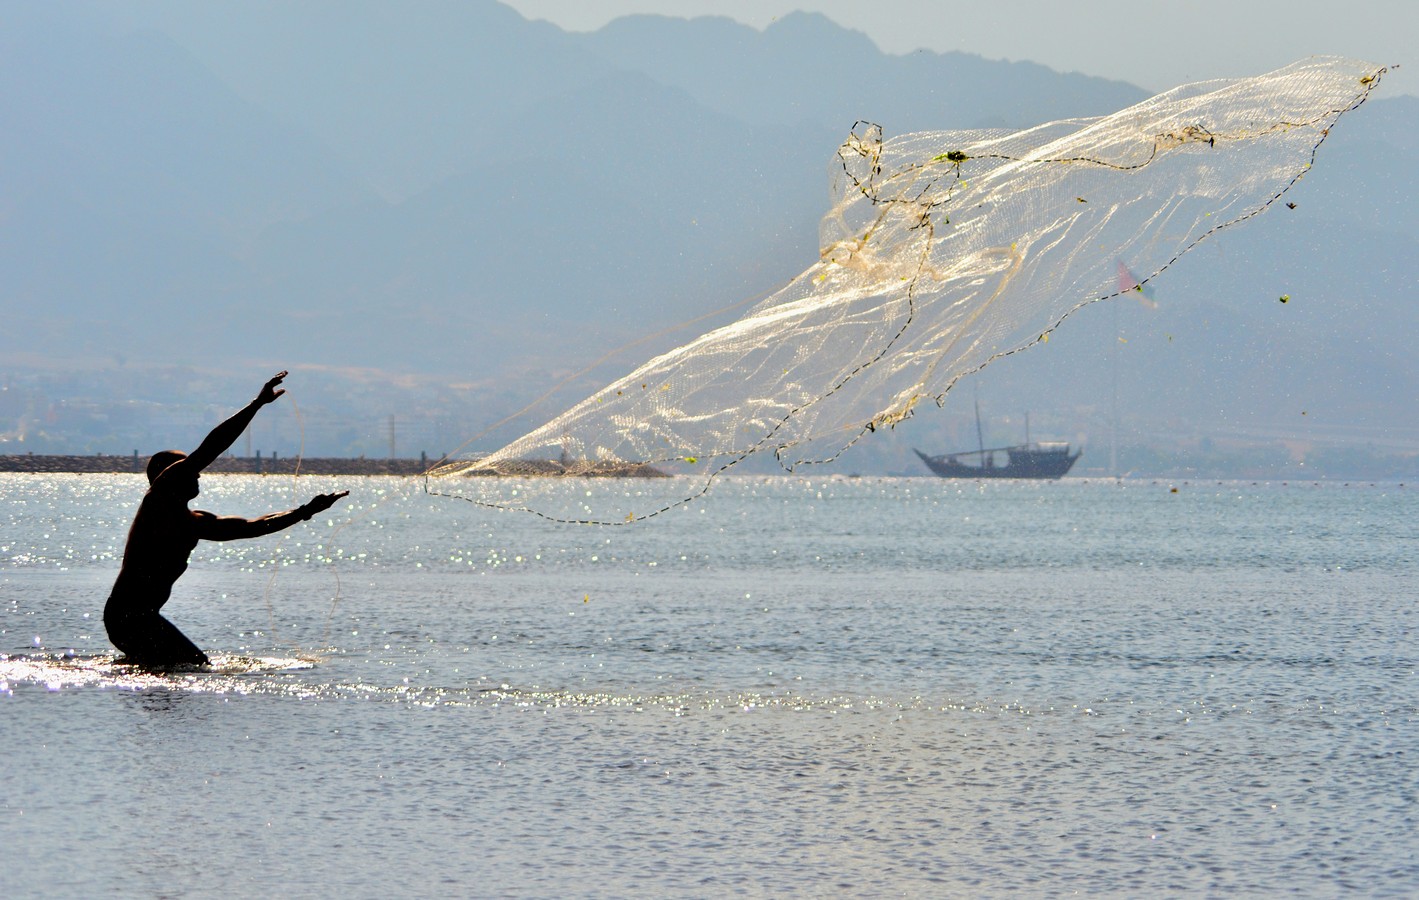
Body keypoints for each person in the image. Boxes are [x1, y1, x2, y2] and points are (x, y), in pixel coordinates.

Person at [104, 371, 347, 668]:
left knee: (178, 664)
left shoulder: (194, 522)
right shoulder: (156, 503)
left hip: (140, 617)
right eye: (187, 467)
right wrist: (256, 405)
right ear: (165, 477)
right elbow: (212, 447)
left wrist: (305, 511)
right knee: (193, 664)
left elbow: (251, 527)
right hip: (127, 616)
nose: (197, 472)